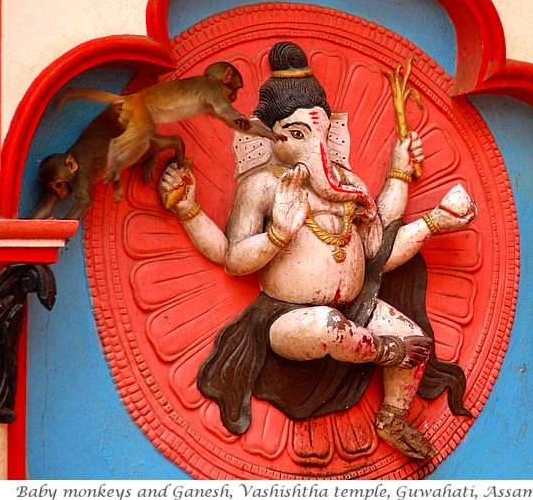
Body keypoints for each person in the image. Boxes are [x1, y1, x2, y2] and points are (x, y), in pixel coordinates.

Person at [159, 41, 476, 459]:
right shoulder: (264, 185)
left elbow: (378, 251)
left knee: (414, 337)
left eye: (321, 132)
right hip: (289, 319)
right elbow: (234, 259)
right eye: (297, 134)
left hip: (357, 308)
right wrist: (277, 234)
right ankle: (384, 351)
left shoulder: (346, 182)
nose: (314, 147)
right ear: (270, 137)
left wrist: (423, 203)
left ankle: (392, 418)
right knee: (327, 326)